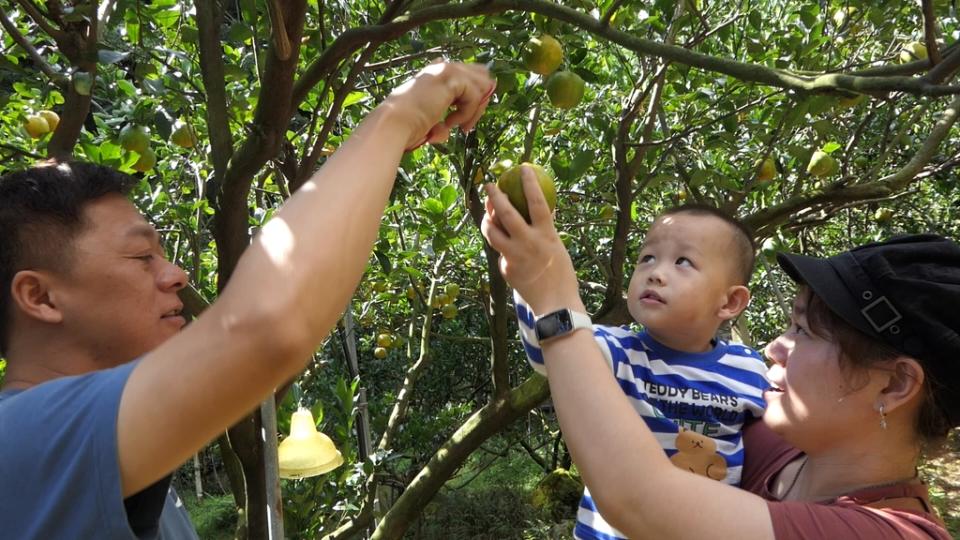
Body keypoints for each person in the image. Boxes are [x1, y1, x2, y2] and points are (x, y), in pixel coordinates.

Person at [0, 61, 494, 539]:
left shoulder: (105, 470)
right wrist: (399, 115)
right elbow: (265, 327)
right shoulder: (19, 441)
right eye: (140, 256)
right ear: (40, 297)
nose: (176, 274)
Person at [481, 166, 955, 539]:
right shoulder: (768, 437)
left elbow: (642, 501)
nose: (774, 347)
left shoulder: (889, 533)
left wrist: (554, 297)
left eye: (805, 331)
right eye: (789, 323)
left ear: (894, 384)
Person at [514, 204, 768, 539]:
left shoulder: (749, 368)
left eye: (683, 262)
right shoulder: (615, 349)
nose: (656, 272)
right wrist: (532, 272)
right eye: (647, 257)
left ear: (730, 302)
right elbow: (548, 350)